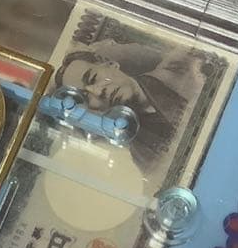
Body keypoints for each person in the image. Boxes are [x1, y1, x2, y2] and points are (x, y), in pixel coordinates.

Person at [52, 39, 202, 174]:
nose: (97, 92)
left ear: (111, 64)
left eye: (93, 78)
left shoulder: (182, 67)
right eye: (85, 96)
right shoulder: (138, 156)